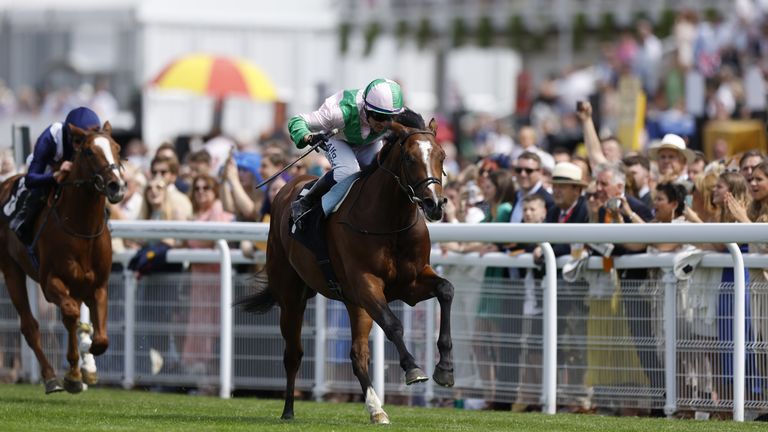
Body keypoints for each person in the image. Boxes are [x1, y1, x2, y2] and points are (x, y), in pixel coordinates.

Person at [287, 78, 405, 227]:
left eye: (391, 118)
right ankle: (306, 201)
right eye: (379, 117)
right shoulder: (340, 112)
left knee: (385, 172)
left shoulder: (397, 115)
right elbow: (296, 121)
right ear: (366, 109)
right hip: (338, 139)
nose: (384, 124)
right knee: (348, 171)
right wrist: (308, 136)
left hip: (369, 143)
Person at [8, 106, 101, 248]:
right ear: (69, 133)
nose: (80, 147)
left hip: (75, 177)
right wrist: (54, 176)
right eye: (77, 141)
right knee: (37, 194)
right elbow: (30, 179)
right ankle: (23, 226)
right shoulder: (51, 135)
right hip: (46, 171)